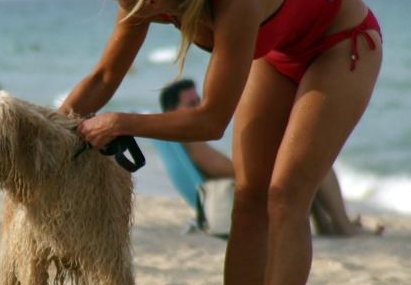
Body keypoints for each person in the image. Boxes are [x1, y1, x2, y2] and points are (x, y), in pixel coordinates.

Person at [61, 0, 383, 285]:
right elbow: (105, 73)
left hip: (341, 43)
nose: (118, 9)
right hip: (280, 50)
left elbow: (211, 120)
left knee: (284, 197)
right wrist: (53, 132)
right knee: (247, 200)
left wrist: (123, 122)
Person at [160, 79, 382, 236]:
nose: (199, 107)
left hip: (231, 192)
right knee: (315, 165)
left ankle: (329, 224)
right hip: (237, 195)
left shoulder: (181, 137)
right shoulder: (190, 138)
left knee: (305, 161)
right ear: (171, 111)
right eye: (192, 104)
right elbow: (226, 169)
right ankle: (343, 226)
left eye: (199, 100)